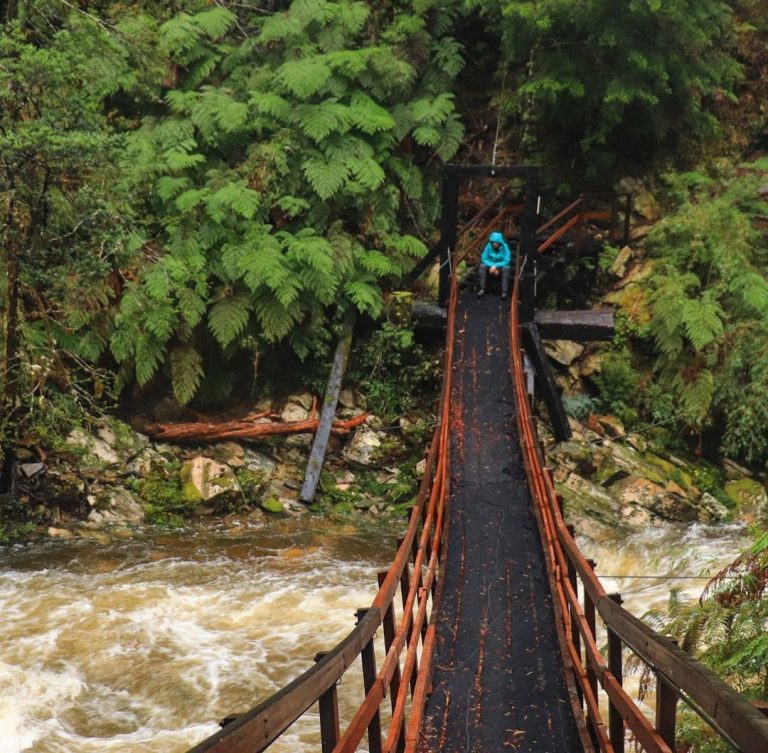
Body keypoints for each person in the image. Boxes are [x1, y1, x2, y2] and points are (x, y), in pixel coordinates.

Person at [477, 231, 511, 299]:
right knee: (482, 266)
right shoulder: (488, 246)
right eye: (494, 242)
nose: (495, 244)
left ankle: (504, 291)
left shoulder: (505, 247)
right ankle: (482, 289)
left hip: (501, 266)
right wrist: (492, 266)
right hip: (490, 266)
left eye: (497, 242)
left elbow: (506, 261)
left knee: (506, 268)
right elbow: (484, 258)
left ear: (500, 243)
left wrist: (496, 266)